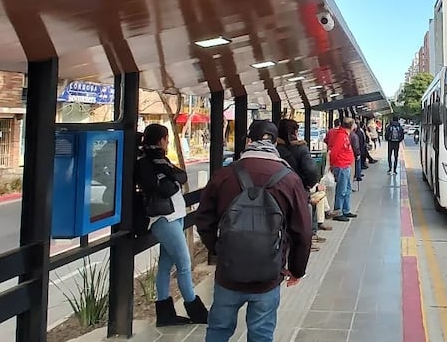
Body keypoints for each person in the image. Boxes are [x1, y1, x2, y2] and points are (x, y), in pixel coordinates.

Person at [196, 121, 312, 342]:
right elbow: (303, 232)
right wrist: (297, 270)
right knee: (261, 334)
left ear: (248, 141)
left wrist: (221, 249)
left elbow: (203, 220)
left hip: (228, 274)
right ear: (275, 143)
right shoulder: (289, 179)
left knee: (219, 330)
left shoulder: (224, 175)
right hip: (268, 275)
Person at [134, 124, 208, 327]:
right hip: (163, 219)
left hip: (175, 216)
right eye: (166, 139)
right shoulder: (147, 163)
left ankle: (165, 313)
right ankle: (195, 309)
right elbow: (167, 187)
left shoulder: (161, 160)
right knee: (184, 264)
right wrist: (174, 180)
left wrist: (173, 179)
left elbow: (181, 175)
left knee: (166, 266)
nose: (167, 143)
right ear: (160, 140)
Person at [276, 119, 330, 252]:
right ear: (295, 131)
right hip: (298, 186)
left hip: (278, 187)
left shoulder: (276, 148)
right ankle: (305, 241)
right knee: (302, 215)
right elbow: (311, 170)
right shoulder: (300, 148)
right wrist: (309, 184)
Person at [326, 117, 358, 221]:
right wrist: (333, 164)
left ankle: (346, 209)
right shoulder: (341, 136)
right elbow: (334, 152)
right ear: (351, 126)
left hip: (346, 165)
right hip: (341, 165)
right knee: (342, 189)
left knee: (347, 189)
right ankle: (338, 211)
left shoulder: (344, 135)